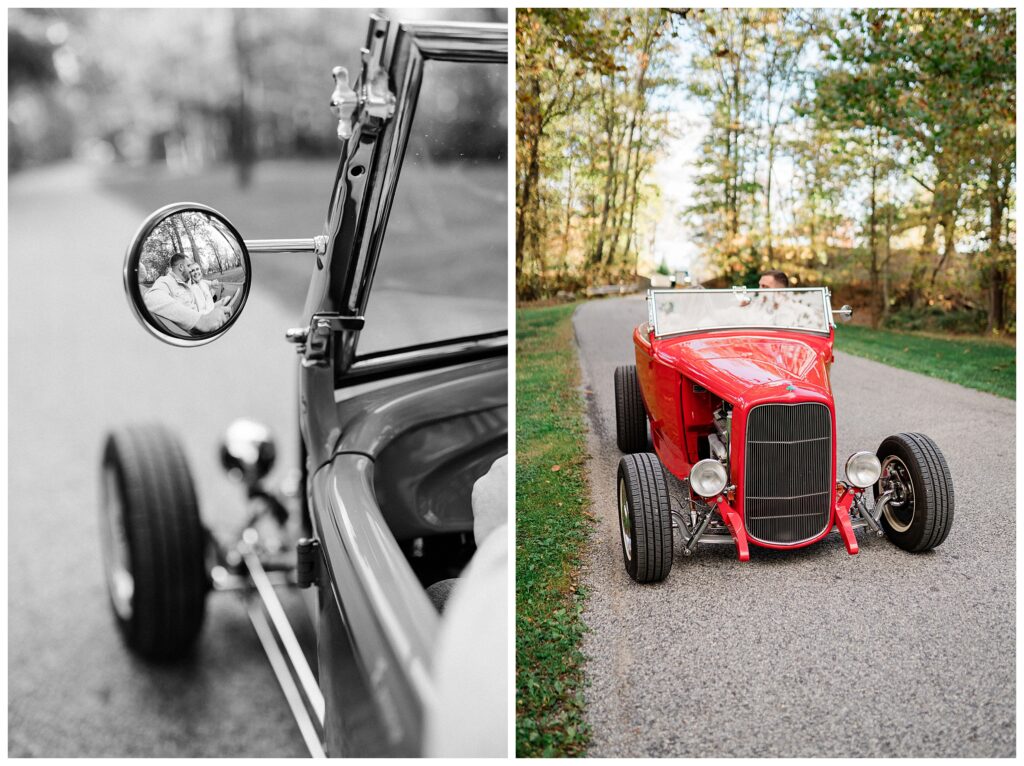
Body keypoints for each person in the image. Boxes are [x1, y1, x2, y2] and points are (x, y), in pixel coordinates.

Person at [143, 253, 232, 334]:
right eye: (189, 266)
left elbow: (201, 282)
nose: (191, 269)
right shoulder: (166, 281)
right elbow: (151, 299)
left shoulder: (186, 282)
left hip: (204, 321)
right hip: (194, 334)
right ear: (181, 267)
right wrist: (201, 321)